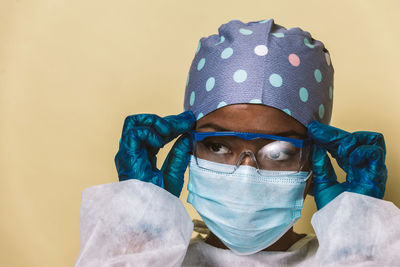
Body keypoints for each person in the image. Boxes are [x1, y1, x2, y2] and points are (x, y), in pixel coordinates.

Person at [74, 19, 400, 266]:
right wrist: (137, 220)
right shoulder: (148, 259)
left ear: (313, 162)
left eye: (278, 150)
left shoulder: (346, 259)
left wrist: (360, 233)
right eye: (217, 145)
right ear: (188, 148)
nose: (246, 174)